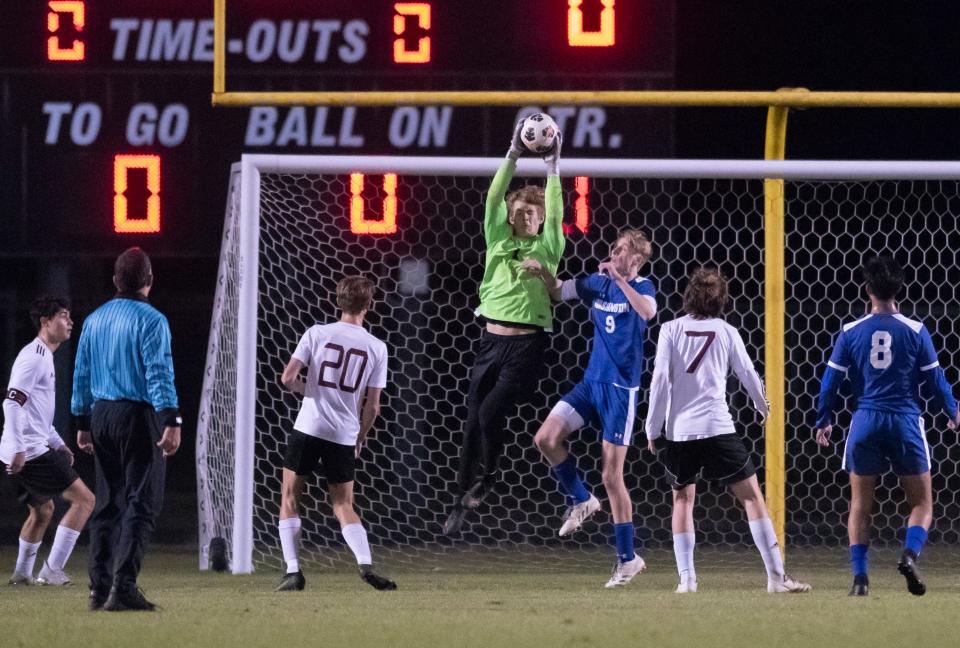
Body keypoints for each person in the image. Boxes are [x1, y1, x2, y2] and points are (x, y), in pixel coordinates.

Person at [645, 267, 811, 594]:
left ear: (688, 296)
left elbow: (660, 379)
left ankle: (687, 580)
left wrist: (653, 427)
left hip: (680, 432)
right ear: (722, 300)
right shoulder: (727, 331)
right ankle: (776, 578)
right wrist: (763, 407)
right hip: (718, 427)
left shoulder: (670, 329)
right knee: (752, 499)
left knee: (682, 501)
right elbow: (748, 372)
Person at [442, 120, 565, 535]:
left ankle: (489, 474)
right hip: (490, 341)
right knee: (473, 418)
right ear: (510, 217)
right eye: (520, 212)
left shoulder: (548, 247)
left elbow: (556, 204)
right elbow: (494, 195)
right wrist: (513, 153)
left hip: (527, 346)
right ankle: (461, 496)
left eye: (534, 213)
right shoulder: (498, 240)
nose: (527, 216)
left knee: (492, 410)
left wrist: (553, 166)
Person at [814, 256, 959, 597]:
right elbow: (936, 381)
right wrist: (952, 411)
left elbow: (829, 383)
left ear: (867, 289)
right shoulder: (915, 330)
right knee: (922, 503)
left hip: (865, 421)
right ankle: (909, 556)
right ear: (900, 289)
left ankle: (860, 580)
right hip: (905, 421)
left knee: (860, 506)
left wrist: (825, 418)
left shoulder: (851, 332)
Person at [524, 229, 656, 588]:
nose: (614, 254)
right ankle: (581, 500)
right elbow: (560, 291)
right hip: (591, 383)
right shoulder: (597, 282)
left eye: (622, 251)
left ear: (637, 260)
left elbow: (646, 313)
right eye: (613, 249)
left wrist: (619, 280)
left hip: (620, 392)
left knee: (612, 477)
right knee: (546, 438)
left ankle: (628, 559)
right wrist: (544, 273)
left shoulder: (643, 286)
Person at [71, 247, 182, 611]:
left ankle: (97, 589)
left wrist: (82, 422)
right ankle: (124, 587)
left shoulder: (94, 320)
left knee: (108, 503)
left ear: (115, 280)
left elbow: (82, 374)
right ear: (149, 281)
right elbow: (158, 372)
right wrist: (171, 418)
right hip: (138, 416)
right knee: (142, 502)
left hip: (101, 414)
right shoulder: (152, 320)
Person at [274, 275, 396, 592]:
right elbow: (373, 407)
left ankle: (293, 572)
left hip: (308, 428)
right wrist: (360, 437)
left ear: (338, 301)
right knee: (343, 505)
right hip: (343, 435)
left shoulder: (317, 333)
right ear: (369, 305)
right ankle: (366, 566)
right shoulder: (376, 347)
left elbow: (287, 378)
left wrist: (309, 390)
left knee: (289, 498)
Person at [2, 296, 95, 586]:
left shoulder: (44, 356)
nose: (70, 322)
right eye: (64, 316)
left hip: (26, 448)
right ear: (45, 322)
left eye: (70, 316)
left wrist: (57, 443)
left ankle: (21, 574)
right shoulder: (34, 358)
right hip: (29, 451)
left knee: (43, 510)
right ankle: (52, 570)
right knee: (85, 500)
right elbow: (12, 403)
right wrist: (18, 448)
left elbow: (35, 414)